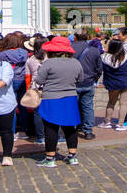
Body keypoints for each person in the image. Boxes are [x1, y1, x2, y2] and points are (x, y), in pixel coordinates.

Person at [33, 36, 82, 167]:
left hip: (51, 98)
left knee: (51, 128)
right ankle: (72, 156)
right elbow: (80, 79)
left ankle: (50, 158)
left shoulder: (48, 63)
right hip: (70, 97)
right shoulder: (76, 63)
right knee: (70, 128)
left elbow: (39, 81)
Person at [71, 31, 102, 139]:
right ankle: (88, 130)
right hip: (88, 81)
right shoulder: (94, 50)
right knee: (88, 107)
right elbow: (99, 68)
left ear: (75, 37)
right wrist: (95, 79)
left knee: (72, 106)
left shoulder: (69, 49)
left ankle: (72, 130)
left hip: (73, 82)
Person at [99, 39, 127, 131]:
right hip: (126, 82)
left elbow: (100, 69)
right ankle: (120, 124)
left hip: (112, 83)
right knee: (123, 104)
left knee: (111, 103)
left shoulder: (104, 58)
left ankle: (107, 122)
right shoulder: (126, 57)